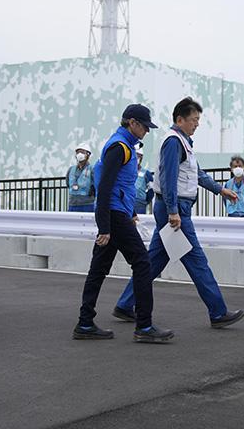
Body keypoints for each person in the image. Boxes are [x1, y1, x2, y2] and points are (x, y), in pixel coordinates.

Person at [114, 97, 244, 329]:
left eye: (198, 120)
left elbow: (197, 174)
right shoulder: (174, 142)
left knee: (153, 261)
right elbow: (168, 178)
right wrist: (174, 211)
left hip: (172, 209)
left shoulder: (184, 142)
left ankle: (125, 304)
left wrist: (220, 189)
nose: (197, 124)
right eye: (194, 120)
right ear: (180, 119)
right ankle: (218, 311)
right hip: (175, 210)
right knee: (197, 260)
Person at [75, 104, 174, 343]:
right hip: (113, 216)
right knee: (142, 263)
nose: (147, 132)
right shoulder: (119, 148)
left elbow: (119, 186)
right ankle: (144, 326)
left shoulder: (124, 146)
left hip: (117, 214)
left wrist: (127, 214)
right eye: (144, 126)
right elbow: (105, 186)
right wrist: (105, 226)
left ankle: (85, 323)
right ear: (132, 123)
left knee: (98, 269)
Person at [67, 144, 96, 212]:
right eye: (78, 152)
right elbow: (68, 183)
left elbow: (96, 184)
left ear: (88, 155)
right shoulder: (71, 169)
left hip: (87, 204)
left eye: (82, 152)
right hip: (72, 204)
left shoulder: (92, 169)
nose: (80, 154)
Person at [133, 143, 155, 215]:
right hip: (126, 203)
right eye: (135, 155)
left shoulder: (147, 174)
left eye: (138, 156)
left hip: (140, 205)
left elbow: (151, 191)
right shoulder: (125, 172)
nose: (136, 158)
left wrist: (144, 202)